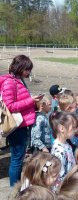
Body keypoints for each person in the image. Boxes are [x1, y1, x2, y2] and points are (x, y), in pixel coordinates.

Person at [0, 55, 42, 186]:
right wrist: (30, 101)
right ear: (20, 67)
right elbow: (10, 106)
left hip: (23, 123)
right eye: (27, 69)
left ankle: (16, 187)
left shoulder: (18, 80)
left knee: (18, 157)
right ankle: (14, 189)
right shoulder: (10, 82)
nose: (29, 72)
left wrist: (33, 103)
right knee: (17, 159)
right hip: (17, 126)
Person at [50, 111, 78, 189]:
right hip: (64, 189)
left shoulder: (66, 144)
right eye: (73, 127)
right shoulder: (59, 151)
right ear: (62, 128)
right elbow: (60, 177)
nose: (75, 130)